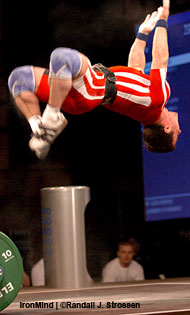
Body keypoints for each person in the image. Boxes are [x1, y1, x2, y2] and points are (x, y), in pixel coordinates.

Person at [8, 0, 180, 160]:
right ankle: (39, 129)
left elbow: (160, 58)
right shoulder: (147, 108)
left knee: (62, 57)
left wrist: (163, 20)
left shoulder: (158, 101)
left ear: (167, 129)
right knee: (19, 79)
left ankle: (51, 118)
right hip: (78, 93)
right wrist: (142, 35)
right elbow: (134, 69)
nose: (180, 130)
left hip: (90, 89)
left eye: (177, 134)